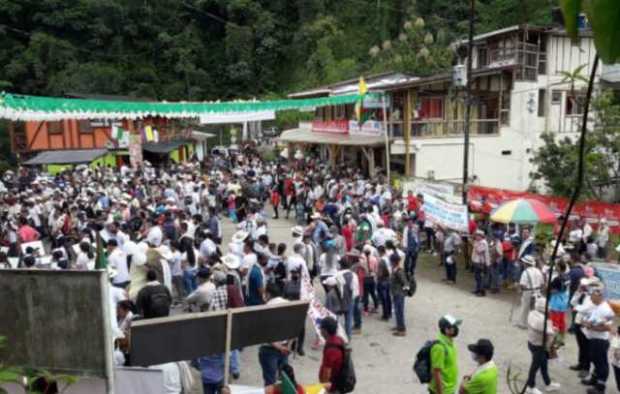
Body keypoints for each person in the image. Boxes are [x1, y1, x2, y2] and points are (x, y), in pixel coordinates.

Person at [581, 284, 615, 394]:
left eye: (593, 295)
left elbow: (608, 327)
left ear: (600, 296)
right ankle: (594, 379)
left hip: (600, 340)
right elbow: (592, 319)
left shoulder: (605, 309)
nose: (590, 297)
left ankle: (600, 387)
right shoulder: (598, 306)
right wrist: (585, 322)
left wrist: (591, 327)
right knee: (594, 360)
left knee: (601, 363)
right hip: (594, 338)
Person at [258, 283, 291, 387]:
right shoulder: (290, 304)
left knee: (270, 382)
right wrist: (288, 345)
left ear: (268, 294)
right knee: (284, 380)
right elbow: (296, 327)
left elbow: (264, 332)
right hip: (285, 348)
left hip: (269, 350)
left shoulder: (266, 307)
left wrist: (278, 347)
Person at [525, 297, 560, 394]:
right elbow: (550, 333)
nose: (549, 310)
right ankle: (530, 386)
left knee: (543, 364)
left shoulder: (532, 313)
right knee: (535, 366)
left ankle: (548, 383)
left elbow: (545, 329)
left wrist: (551, 328)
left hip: (532, 343)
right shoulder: (542, 320)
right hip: (538, 346)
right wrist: (555, 331)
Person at [430, 315, 462, 394]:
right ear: (445, 329)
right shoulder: (439, 347)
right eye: (453, 326)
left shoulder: (449, 342)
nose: (455, 329)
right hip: (443, 391)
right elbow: (436, 373)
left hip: (449, 388)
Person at [515, 256, 543, 329]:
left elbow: (523, 285)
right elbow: (542, 283)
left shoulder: (525, 272)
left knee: (525, 307)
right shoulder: (538, 271)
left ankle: (523, 323)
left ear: (526, 263)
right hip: (537, 291)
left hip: (528, 291)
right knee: (534, 308)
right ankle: (534, 323)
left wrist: (519, 287)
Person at [318, 316, 345, 394]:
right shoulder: (338, 339)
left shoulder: (331, 349)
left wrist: (323, 389)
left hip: (332, 386)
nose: (320, 331)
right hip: (337, 382)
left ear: (325, 331)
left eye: (321, 329)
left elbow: (327, 372)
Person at [390, 253, 408, 336]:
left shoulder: (399, 271)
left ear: (393, 262)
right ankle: (398, 326)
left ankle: (402, 330)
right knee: (397, 311)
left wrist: (402, 292)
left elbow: (405, 283)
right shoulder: (395, 269)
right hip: (396, 293)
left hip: (399, 294)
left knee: (399, 311)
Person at [471, 230, 489, 297]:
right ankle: (477, 289)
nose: (476, 236)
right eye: (476, 235)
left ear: (481, 236)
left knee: (481, 277)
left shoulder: (483, 242)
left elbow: (479, 251)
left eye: (477, 235)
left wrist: (474, 244)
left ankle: (482, 292)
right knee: (477, 277)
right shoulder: (477, 242)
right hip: (476, 262)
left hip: (481, 262)